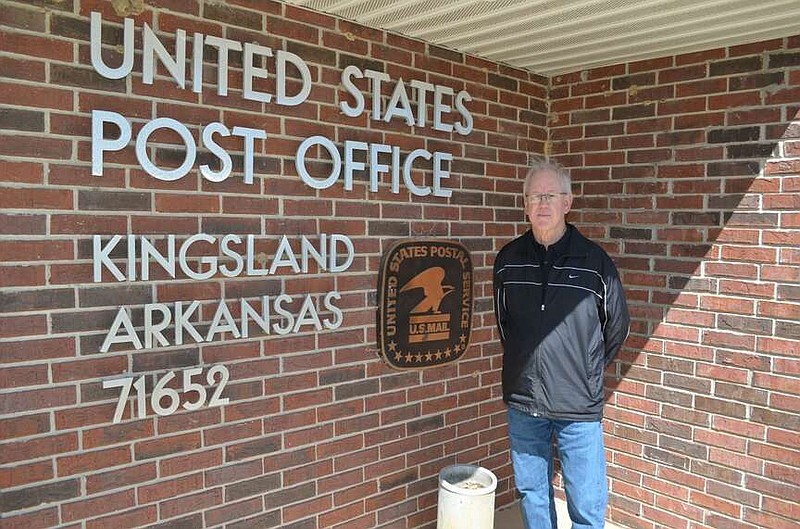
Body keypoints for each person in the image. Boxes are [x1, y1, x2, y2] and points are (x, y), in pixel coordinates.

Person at [493, 159, 630, 529]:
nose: (542, 204)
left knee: (585, 502)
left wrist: (583, 370)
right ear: (524, 204)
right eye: (534, 196)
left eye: (550, 195)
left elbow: (617, 328)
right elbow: (506, 327)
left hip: (577, 406)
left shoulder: (595, 263)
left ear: (567, 203)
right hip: (524, 401)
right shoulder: (507, 262)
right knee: (532, 493)